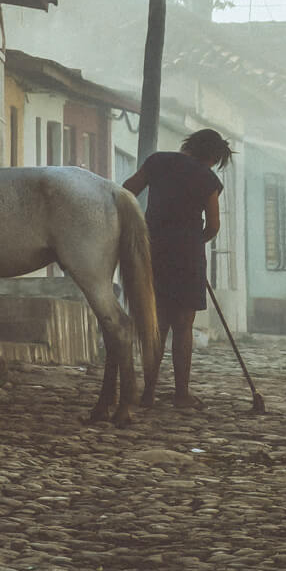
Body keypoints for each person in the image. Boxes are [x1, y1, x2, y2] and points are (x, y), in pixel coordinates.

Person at [121, 128, 232, 410]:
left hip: (152, 250)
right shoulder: (208, 179)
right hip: (187, 257)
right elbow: (214, 225)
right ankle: (181, 395)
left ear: (189, 144)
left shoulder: (157, 162)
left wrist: (135, 228)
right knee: (183, 327)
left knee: (156, 324)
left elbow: (126, 191)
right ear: (213, 157)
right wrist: (195, 242)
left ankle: (148, 393)